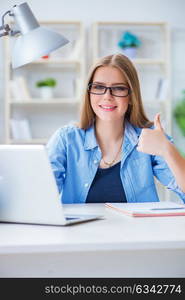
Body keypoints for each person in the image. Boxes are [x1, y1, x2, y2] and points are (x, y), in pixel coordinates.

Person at [46, 53, 185, 204]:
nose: (107, 96)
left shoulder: (148, 138)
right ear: (89, 93)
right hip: (79, 228)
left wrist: (167, 149)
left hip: (139, 228)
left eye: (118, 88)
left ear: (131, 96)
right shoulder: (66, 139)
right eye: (98, 87)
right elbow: (41, 196)